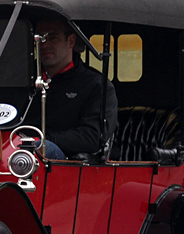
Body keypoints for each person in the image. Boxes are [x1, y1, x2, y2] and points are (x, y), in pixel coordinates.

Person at [26, 18, 118, 159]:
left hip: (65, 161)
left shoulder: (96, 85)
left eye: (52, 38)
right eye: (40, 39)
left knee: (43, 149)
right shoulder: (19, 78)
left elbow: (93, 137)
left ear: (71, 41)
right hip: (14, 146)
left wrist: (41, 141)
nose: (45, 45)